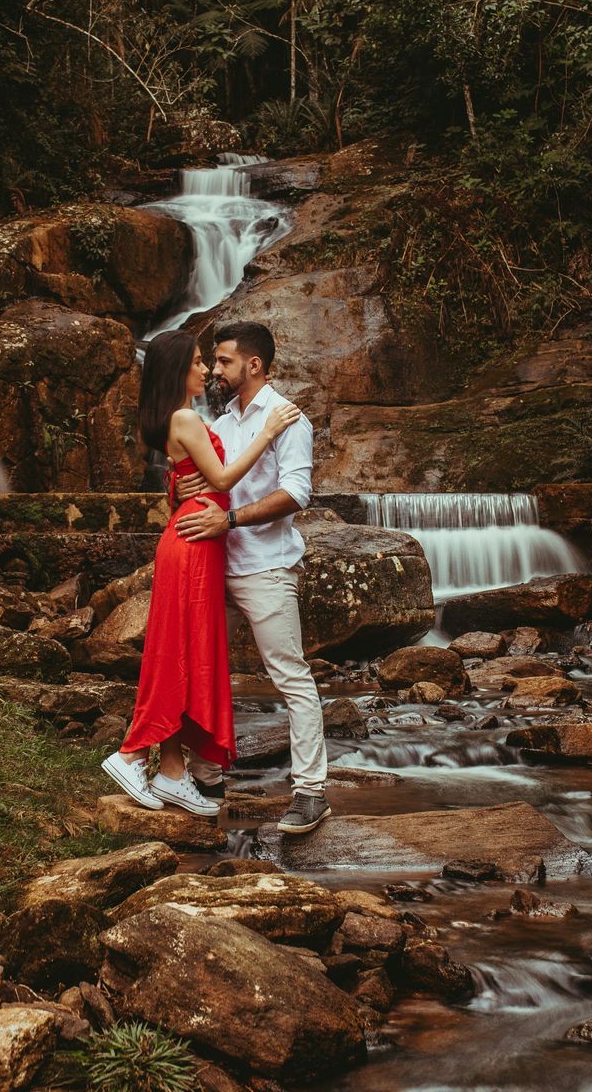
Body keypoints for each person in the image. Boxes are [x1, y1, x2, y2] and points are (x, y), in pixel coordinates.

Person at [101, 328, 302, 816]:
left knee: (187, 651)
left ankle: (172, 772)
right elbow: (225, 478)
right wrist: (269, 431)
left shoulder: (183, 419)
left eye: (209, 361)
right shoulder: (187, 417)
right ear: (176, 370)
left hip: (198, 541)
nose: (206, 370)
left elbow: (198, 477)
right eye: (197, 361)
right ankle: (132, 753)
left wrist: (177, 487)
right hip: (194, 545)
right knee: (179, 654)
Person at [173, 320, 330, 835]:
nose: (214, 368)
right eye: (212, 362)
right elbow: (206, 481)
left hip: (265, 565)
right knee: (203, 671)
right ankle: (206, 779)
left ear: (253, 365)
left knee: (290, 676)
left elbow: (296, 493)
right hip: (213, 566)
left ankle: (310, 792)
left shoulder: (288, 420)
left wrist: (232, 519)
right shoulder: (221, 422)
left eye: (222, 360)